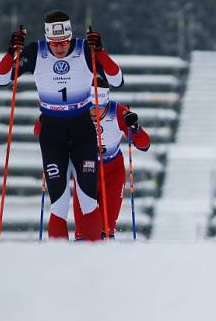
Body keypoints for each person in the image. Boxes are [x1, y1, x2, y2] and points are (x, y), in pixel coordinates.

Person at [0, 10, 123, 241]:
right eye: (54, 43)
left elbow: (117, 79)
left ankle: (96, 256)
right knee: (59, 205)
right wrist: (10, 53)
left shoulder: (84, 49)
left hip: (83, 129)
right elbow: (2, 79)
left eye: (64, 41)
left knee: (88, 201)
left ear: (70, 36)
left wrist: (100, 52)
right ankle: (58, 260)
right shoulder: (36, 52)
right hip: (52, 133)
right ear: (47, 38)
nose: (60, 48)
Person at [35, 77, 150, 239]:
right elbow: (39, 131)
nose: (94, 112)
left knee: (106, 229)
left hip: (112, 172)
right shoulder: (75, 110)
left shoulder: (117, 112)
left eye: (99, 107)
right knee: (83, 232)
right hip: (85, 171)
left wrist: (135, 128)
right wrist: (46, 120)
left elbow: (144, 145)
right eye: (91, 107)